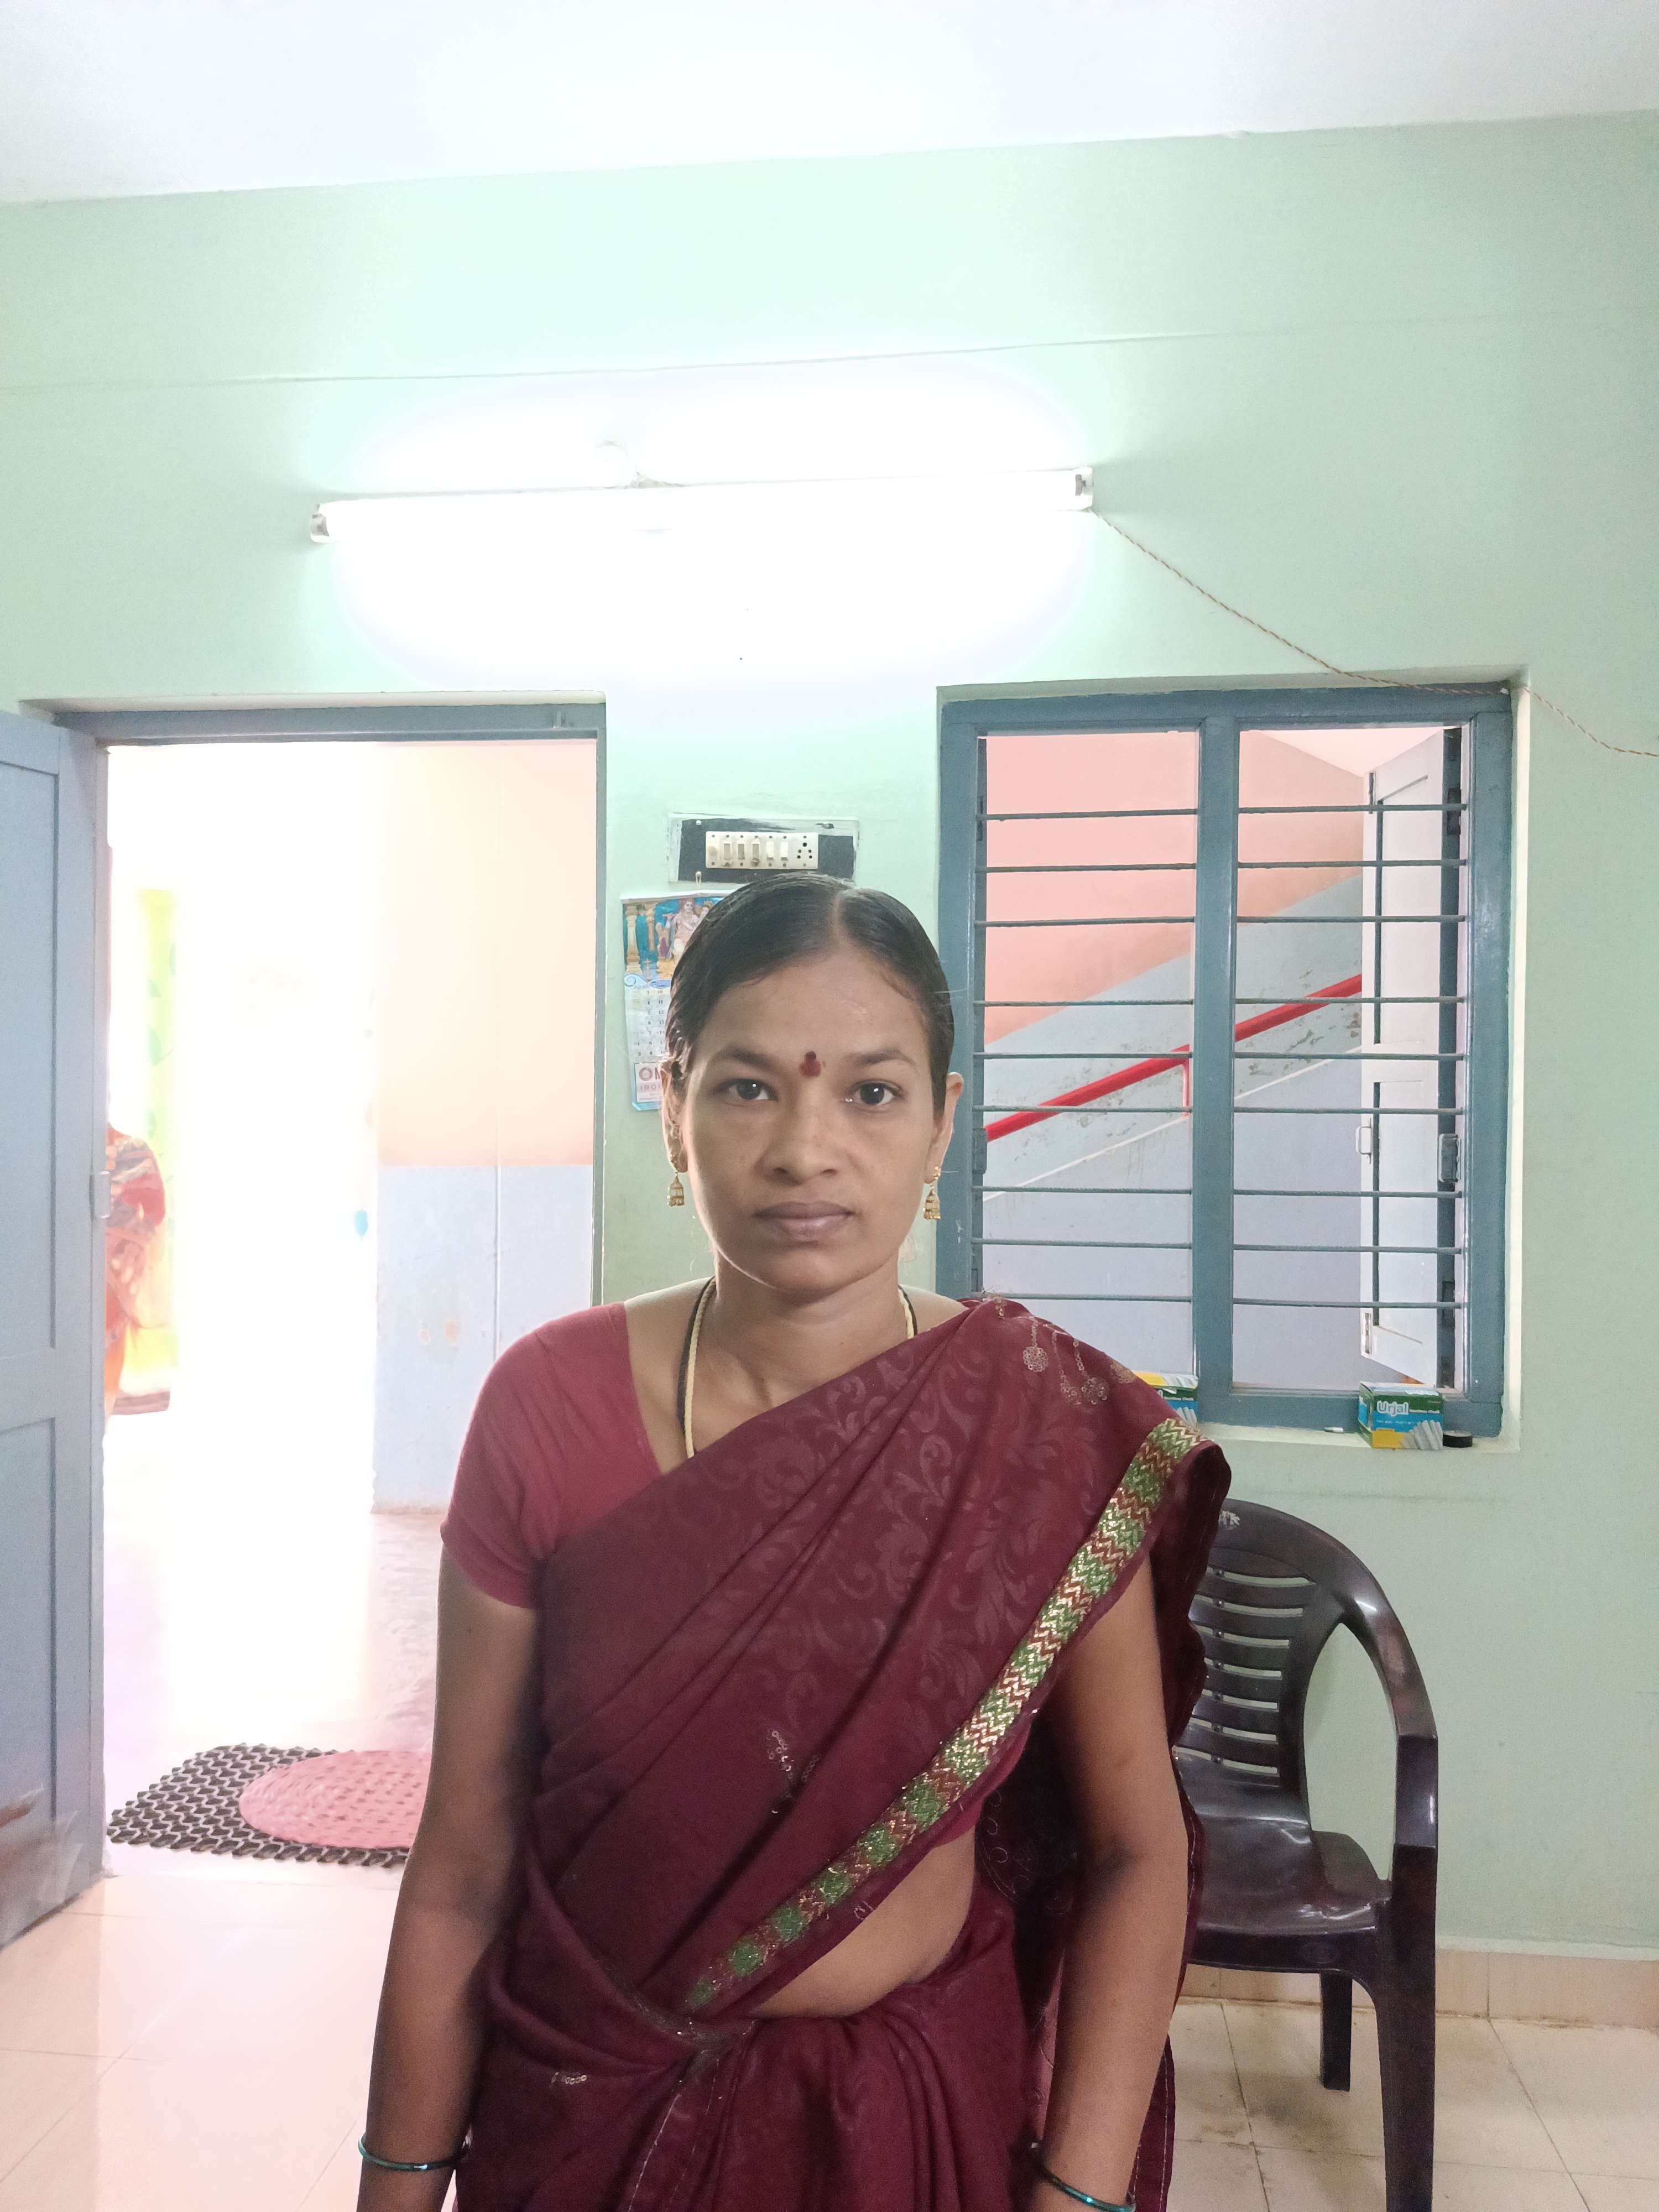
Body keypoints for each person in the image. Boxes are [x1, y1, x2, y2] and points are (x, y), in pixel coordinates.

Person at [357, 873, 1228, 2212]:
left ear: (943, 1123)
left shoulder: (1036, 1428)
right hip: (588, 2114)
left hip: (906, 2131)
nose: (806, 1148)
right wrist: (398, 2183)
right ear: (675, 1108)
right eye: (749, 1086)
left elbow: (1135, 1850)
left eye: (871, 1091)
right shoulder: (546, 1407)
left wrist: (1081, 2192)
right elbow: (463, 1865)